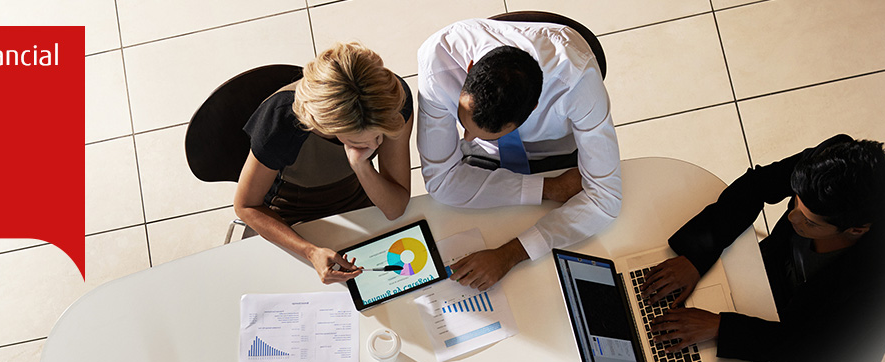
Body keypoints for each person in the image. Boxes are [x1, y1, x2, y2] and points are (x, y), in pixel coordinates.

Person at [641, 135, 885, 362]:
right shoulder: (829, 166)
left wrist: (720, 328)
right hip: (774, 286)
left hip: (815, 346)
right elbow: (758, 185)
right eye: (795, 202)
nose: (791, 218)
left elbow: (815, 349)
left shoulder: (884, 285)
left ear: (856, 229)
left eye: (809, 221)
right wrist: (696, 256)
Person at [417, 19, 621, 291]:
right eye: (463, 123)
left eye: (489, 133)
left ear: (535, 106)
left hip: (556, 152)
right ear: (469, 69)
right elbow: (441, 181)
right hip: (491, 158)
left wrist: (509, 254)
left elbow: (606, 199)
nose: (466, 138)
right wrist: (549, 188)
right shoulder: (438, 58)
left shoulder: (577, 80)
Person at [233, 42, 414, 285]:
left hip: (357, 194)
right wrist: (310, 251)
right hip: (290, 213)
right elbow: (246, 206)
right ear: (323, 127)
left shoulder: (391, 101)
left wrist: (361, 165)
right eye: (358, 140)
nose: (375, 143)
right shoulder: (281, 121)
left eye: (379, 135)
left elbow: (395, 208)